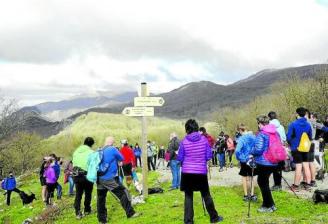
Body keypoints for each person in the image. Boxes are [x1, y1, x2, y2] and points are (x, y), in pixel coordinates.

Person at [178, 119, 223, 224]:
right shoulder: (204, 140)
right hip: (200, 172)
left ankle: (188, 221)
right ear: (196, 127)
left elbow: (180, 158)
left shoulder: (184, 141)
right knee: (206, 194)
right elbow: (208, 156)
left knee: (188, 196)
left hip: (187, 172)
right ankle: (214, 218)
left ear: (187, 129)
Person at [96, 137, 139, 223]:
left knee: (101, 199)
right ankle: (130, 213)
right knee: (123, 193)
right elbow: (121, 158)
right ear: (112, 143)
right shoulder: (112, 149)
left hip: (99, 179)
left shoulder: (99, 150)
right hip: (110, 178)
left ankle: (102, 220)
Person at [250, 115, 278, 213]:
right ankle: (271, 204)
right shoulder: (275, 132)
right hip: (274, 161)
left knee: (262, 182)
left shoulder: (262, 134)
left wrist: (251, 151)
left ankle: (267, 206)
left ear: (260, 123)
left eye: (258, 123)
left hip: (264, 162)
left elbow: (258, 149)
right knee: (264, 182)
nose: (258, 125)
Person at [287, 107, 312, 192]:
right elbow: (310, 137)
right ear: (305, 114)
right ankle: (308, 185)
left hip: (296, 148)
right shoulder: (308, 124)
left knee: (298, 166)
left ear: (297, 114)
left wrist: (292, 144)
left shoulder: (293, 124)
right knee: (306, 165)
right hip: (305, 148)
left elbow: (288, 137)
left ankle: (296, 186)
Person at [72, 137, 95, 219]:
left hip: (76, 175)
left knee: (78, 194)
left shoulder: (76, 151)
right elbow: (93, 165)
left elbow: (74, 163)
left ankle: (77, 213)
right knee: (88, 193)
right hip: (87, 175)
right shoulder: (91, 152)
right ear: (91, 144)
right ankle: (87, 210)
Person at [235, 124, 257, 202]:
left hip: (244, 160)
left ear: (240, 130)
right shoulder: (254, 137)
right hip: (252, 159)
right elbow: (257, 147)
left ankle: (246, 195)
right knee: (251, 177)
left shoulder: (241, 139)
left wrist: (239, 158)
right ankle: (252, 195)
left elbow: (237, 150)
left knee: (244, 177)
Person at [268, 111, 287, 191]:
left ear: (269, 117)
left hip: (273, 148)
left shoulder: (269, 126)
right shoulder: (281, 126)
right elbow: (284, 138)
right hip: (281, 148)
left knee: (272, 167)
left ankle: (275, 185)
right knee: (279, 167)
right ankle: (278, 184)